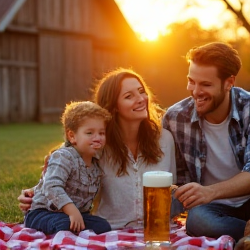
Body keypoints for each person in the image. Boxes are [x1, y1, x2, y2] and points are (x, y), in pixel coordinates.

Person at [163, 42, 250, 250]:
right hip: (215, 209)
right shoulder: (175, 117)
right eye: (191, 81)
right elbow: (176, 180)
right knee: (198, 221)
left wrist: (210, 191)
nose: (195, 91)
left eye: (205, 85)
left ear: (229, 82)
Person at [19, 68, 176, 230]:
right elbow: (67, 164)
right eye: (129, 96)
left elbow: (173, 188)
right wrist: (33, 192)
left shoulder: (165, 140)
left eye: (141, 92)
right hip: (114, 227)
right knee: (66, 225)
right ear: (114, 107)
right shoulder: (98, 143)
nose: (141, 99)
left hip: (156, 229)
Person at [24, 101, 112, 235]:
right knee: (63, 223)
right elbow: (51, 186)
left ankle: (76, 231)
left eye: (101, 133)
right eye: (89, 133)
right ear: (72, 136)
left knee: (103, 225)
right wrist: (72, 210)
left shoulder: (96, 164)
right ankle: (69, 234)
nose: (98, 138)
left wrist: (76, 213)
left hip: (76, 214)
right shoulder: (64, 156)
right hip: (43, 212)